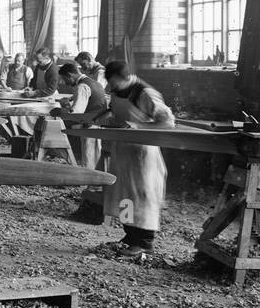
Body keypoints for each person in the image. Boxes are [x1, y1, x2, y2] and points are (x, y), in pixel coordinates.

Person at [91, 59, 175, 257]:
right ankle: (130, 236)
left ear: (125, 77)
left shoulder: (144, 93)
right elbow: (117, 114)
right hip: (123, 151)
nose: (110, 86)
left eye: (113, 82)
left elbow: (168, 122)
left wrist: (139, 127)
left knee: (143, 195)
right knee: (124, 194)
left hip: (143, 153)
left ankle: (145, 242)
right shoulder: (117, 90)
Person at [58, 62, 110, 222]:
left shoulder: (82, 86)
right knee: (97, 160)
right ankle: (93, 194)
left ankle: (91, 200)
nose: (66, 84)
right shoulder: (92, 82)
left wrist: (64, 109)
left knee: (91, 161)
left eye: (65, 80)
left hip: (91, 127)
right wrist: (70, 100)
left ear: (70, 75)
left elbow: (77, 113)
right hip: (100, 124)